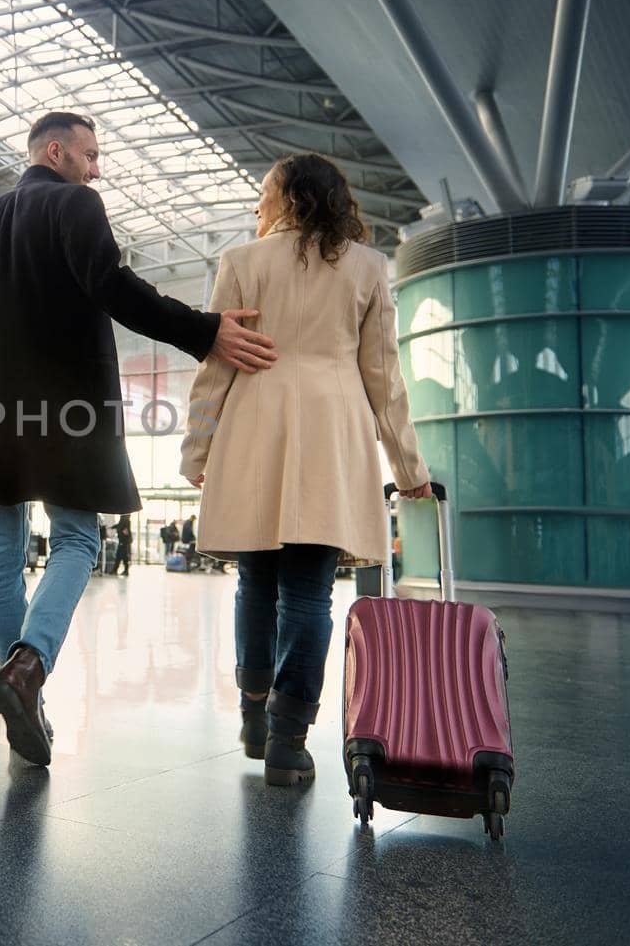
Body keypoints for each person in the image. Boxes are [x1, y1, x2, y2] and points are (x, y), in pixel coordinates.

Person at [0, 111, 277, 767]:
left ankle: (22, 698)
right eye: (90, 155)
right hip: (63, 410)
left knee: (2, 553)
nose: (98, 168)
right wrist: (204, 330)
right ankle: (26, 671)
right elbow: (112, 287)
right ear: (54, 152)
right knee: (78, 539)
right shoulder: (74, 204)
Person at [181, 152, 431, 788]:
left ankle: (252, 711)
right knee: (309, 594)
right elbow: (384, 378)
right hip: (333, 434)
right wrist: (408, 466)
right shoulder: (369, 268)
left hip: (252, 432)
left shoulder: (240, 263)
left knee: (255, 585)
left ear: (292, 197)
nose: (257, 205)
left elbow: (218, 366)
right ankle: (289, 740)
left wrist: (198, 448)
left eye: (264, 192)